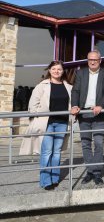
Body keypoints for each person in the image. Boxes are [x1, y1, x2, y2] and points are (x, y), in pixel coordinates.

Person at [20, 61, 72, 190]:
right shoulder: (41, 86)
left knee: (57, 153)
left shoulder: (68, 87)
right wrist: (41, 115)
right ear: (49, 70)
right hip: (46, 124)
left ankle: (55, 178)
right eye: (53, 69)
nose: (56, 71)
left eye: (59, 69)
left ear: (62, 71)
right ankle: (45, 181)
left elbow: (72, 104)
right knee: (47, 152)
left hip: (62, 123)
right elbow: (32, 106)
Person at [70, 50, 104, 186]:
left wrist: (101, 105)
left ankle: (97, 173)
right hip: (84, 114)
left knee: (99, 143)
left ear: (100, 60)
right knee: (85, 144)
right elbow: (75, 90)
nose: (92, 62)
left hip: (99, 114)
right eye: (90, 60)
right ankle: (90, 171)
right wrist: (75, 105)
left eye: (95, 59)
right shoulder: (80, 73)